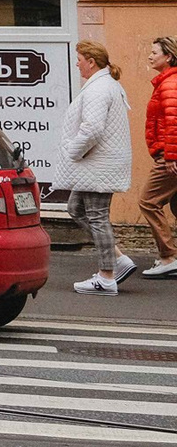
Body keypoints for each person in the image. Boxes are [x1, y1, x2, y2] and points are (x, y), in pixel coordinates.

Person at [66, 40, 136, 295]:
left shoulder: (98, 89)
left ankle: (106, 276)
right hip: (98, 162)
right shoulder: (105, 85)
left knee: (96, 216)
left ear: (91, 61)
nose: (77, 63)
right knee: (75, 208)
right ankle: (118, 259)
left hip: (98, 163)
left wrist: (73, 151)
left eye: (80, 59)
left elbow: (92, 128)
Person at [142, 37, 177, 279]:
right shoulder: (166, 82)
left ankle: (168, 257)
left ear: (169, 57)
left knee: (148, 201)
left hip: (169, 156)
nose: (150, 56)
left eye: (155, 52)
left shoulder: (170, 84)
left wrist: (171, 157)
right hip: (168, 153)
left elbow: (174, 123)